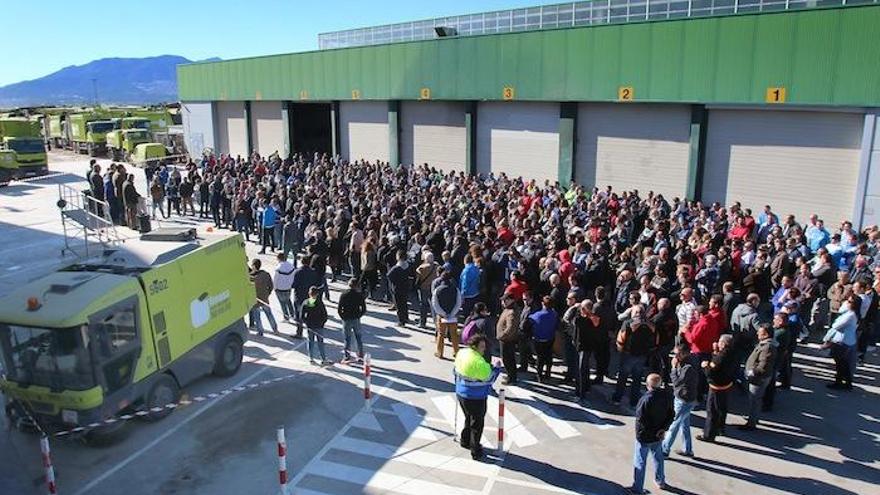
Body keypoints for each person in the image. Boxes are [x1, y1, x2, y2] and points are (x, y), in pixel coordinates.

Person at [454, 334, 502, 461]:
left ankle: (465, 440)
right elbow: (490, 378)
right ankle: (475, 450)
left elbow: (455, 370)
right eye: (482, 347)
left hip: (461, 393)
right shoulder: (480, 363)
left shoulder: (462, 353)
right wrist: (497, 368)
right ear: (475, 347)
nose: (484, 350)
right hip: (476, 397)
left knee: (468, 417)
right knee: (477, 424)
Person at [629, 373, 673, 495]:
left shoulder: (645, 399)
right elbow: (671, 414)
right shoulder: (666, 396)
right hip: (658, 434)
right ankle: (661, 480)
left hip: (645, 436)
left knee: (640, 460)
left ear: (648, 385)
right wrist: (663, 429)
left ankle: (637, 488)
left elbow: (641, 419)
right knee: (658, 457)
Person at [613, 305, 657, 407]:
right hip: (642, 355)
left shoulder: (628, 323)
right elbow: (655, 339)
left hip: (628, 353)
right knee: (637, 378)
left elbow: (621, 337)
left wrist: (620, 349)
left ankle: (617, 398)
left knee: (623, 377)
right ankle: (634, 401)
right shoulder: (651, 325)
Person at [661, 345, 698, 457]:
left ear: (684, 354)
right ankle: (688, 449)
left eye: (678, 354)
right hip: (684, 398)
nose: (675, 357)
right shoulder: (686, 363)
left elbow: (677, 382)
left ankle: (664, 450)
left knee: (674, 425)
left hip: (684, 400)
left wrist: (673, 368)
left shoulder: (688, 367)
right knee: (684, 425)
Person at [698, 334, 736, 443]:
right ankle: (720, 428)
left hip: (717, 386)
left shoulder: (721, 356)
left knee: (712, 410)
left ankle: (709, 434)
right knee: (722, 408)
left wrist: (705, 366)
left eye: (720, 341)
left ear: (723, 344)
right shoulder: (733, 353)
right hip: (727, 383)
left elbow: (711, 372)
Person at [740, 324, 777, 430]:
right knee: (754, 399)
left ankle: (751, 423)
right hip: (758, 378)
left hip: (758, 379)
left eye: (760, 332)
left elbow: (763, 366)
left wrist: (750, 373)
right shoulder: (764, 344)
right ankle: (753, 418)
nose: (757, 333)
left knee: (754, 400)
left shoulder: (767, 347)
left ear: (766, 334)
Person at [822, 294, 860, 390]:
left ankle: (839, 382)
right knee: (843, 363)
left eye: (850, 302)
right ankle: (847, 382)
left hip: (842, 341)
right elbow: (841, 311)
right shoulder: (849, 312)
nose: (847, 303)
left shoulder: (851, 315)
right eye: (848, 300)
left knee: (840, 363)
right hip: (845, 340)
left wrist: (835, 323)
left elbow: (836, 325)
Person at [573, 299, 602, 399]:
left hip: (585, 347)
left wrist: (574, 307)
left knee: (581, 369)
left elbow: (567, 318)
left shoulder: (581, 319)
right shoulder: (586, 318)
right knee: (584, 368)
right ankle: (587, 387)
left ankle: (581, 393)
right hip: (584, 346)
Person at [432, 269, 462, 359]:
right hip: (453, 315)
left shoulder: (437, 290)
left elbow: (435, 303)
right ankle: (456, 352)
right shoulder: (455, 290)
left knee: (441, 334)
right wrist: (452, 313)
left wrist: (443, 313)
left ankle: (440, 352)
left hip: (441, 315)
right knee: (454, 334)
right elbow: (458, 303)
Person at [529, 296, 559, 383]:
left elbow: (529, 320)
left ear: (543, 304)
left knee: (540, 358)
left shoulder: (537, 315)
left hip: (539, 339)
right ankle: (548, 372)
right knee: (549, 356)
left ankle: (539, 375)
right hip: (550, 338)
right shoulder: (554, 314)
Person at [338, 278, 367, 363]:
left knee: (347, 339)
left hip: (346, 319)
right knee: (358, 338)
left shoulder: (343, 294)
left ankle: (347, 356)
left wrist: (343, 317)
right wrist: (359, 315)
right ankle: (360, 355)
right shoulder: (359, 295)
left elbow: (339, 308)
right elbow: (364, 309)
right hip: (356, 318)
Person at [301, 286, 330, 365]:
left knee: (310, 342)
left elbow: (302, 315)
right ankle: (323, 358)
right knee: (320, 342)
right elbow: (324, 314)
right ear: (317, 294)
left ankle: (311, 358)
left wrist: (306, 323)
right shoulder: (319, 302)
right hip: (319, 326)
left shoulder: (306, 302)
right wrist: (322, 323)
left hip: (310, 326)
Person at [249, 259, 279, 336]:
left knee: (257, 317)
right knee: (269, 314)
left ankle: (260, 331)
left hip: (255, 300)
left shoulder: (251, 278)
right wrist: (267, 294)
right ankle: (275, 329)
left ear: (254, 266)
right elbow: (271, 286)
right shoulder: (266, 274)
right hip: (265, 299)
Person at [496, 293, 520, 385]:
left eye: (505, 300)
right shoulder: (508, 309)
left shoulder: (512, 312)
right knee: (508, 358)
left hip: (507, 340)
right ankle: (510, 374)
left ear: (511, 300)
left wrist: (503, 335)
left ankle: (511, 378)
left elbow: (511, 328)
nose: (503, 302)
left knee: (508, 359)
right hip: (506, 339)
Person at [386, 250, 412, 326]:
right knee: (404, 303)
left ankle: (401, 321)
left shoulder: (396, 268)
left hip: (397, 288)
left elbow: (389, 275)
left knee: (399, 305)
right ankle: (406, 318)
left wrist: (394, 282)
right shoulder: (407, 265)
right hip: (406, 287)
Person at [415, 251, 439, 329]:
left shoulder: (421, 268)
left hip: (424, 288)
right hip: (434, 288)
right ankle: (437, 324)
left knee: (423, 306)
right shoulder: (437, 266)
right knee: (434, 307)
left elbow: (418, 277)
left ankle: (422, 322)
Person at [274, 253, 295, 322]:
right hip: (288, 287)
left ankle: (286, 317)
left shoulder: (278, 268)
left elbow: (276, 279)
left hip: (280, 288)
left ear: (279, 259)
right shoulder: (291, 266)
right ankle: (292, 314)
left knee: (282, 303)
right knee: (288, 301)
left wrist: (275, 287)